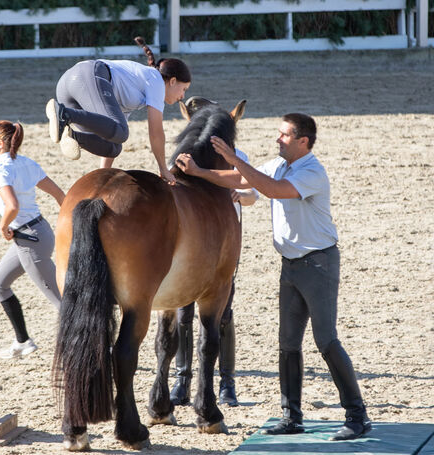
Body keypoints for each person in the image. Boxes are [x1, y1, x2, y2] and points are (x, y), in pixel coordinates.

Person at [175, 113, 372, 441]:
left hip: (319, 266)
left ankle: (357, 414)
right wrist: (199, 172)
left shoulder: (311, 172)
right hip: (291, 265)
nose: (277, 139)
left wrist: (234, 158)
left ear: (303, 141)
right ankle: (291, 416)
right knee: (287, 345)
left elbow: (271, 189)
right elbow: (239, 180)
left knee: (326, 341)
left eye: (284, 135)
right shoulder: (279, 164)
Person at [170, 148, 258, 408]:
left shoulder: (238, 156)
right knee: (182, 313)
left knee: (223, 315)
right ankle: (182, 380)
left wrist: (240, 196)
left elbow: (254, 194)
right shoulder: (184, 153)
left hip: (223, 246)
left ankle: (227, 383)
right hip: (192, 244)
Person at [45, 36, 191, 185]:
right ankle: (64, 114)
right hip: (86, 76)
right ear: (172, 81)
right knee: (122, 133)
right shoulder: (156, 81)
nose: (183, 96)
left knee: (114, 146)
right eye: (184, 89)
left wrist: (103, 176)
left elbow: (112, 132)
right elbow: (156, 133)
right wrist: (163, 168)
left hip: (69, 88)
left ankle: (72, 136)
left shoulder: (135, 90)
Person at [0, 120, 65, 359]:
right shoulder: (26, 163)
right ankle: (22, 341)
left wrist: (3, 227)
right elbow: (60, 195)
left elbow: (12, 206)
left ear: (0, 143)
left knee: (62, 303)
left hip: (29, 240)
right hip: (39, 233)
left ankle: (100, 348)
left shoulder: (0, 169)